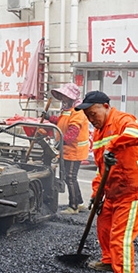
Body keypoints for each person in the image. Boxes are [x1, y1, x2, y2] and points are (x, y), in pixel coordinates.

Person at [77, 90, 138, 273]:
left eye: (93, 114)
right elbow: (100, 168)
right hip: (112, 189)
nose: (91, 119)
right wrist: (96, 193)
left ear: (105, 106)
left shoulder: (122, 120)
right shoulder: (99, 132)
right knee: (104, 228)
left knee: (120, 236)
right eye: (88, 117)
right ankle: (108, 260)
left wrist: (113, 145)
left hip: (133, 188)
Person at [51, 83, 91, 214]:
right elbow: (62, 122)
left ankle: (73, 206)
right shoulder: (67, 110)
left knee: (70, 177)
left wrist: (62, 141)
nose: (63, 98)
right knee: (71, 177)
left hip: (74, 151)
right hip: (68, 150)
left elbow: (73, 131)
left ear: (71, 97)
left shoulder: (78, 111)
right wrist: (49, 118)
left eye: (65, 96)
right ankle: (78, 203)